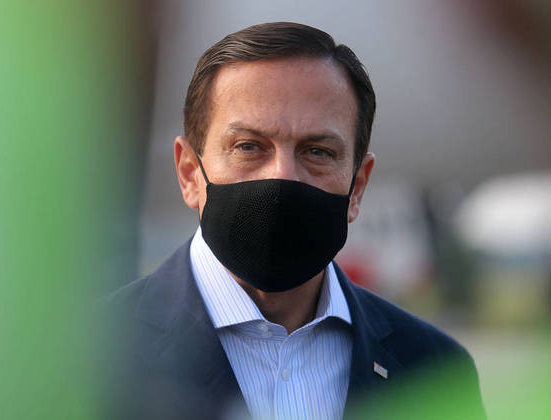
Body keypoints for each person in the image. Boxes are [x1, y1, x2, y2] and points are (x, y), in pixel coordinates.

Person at [105, 22, 485, 419]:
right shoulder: (84, 359)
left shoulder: (436, 372)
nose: (283, 176)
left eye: (318, 152)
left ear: (357, 186)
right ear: (189, 173)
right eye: (248, 146)